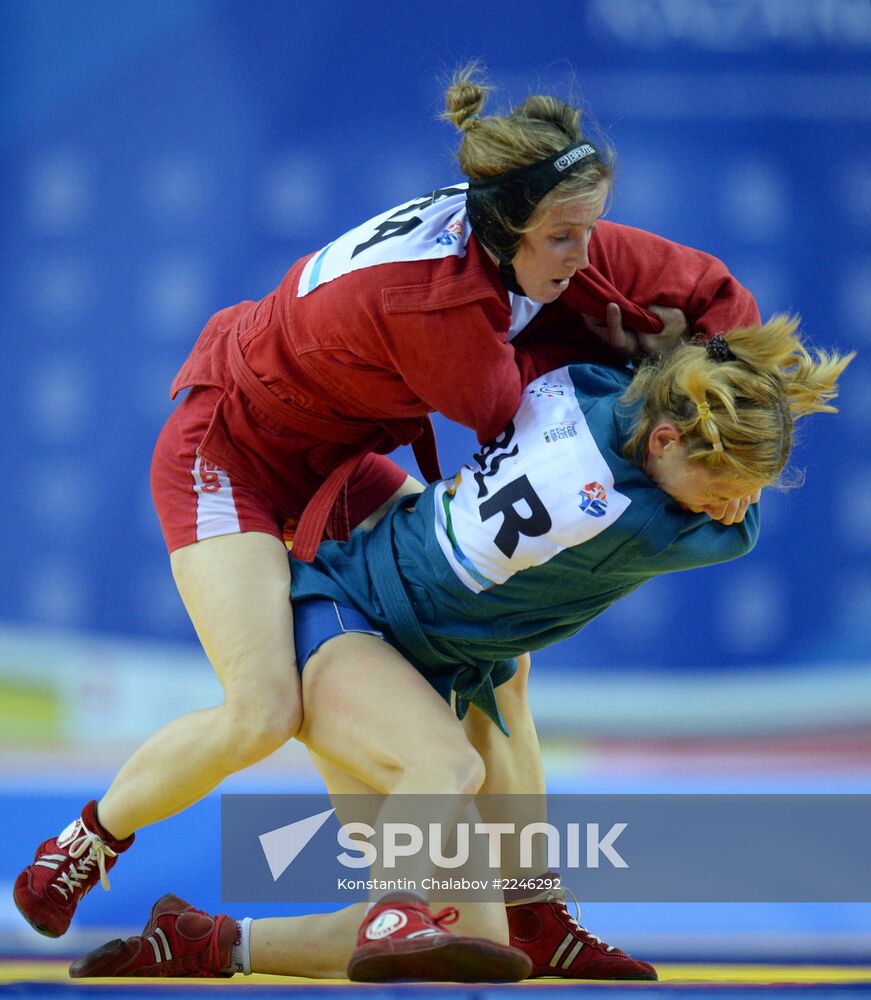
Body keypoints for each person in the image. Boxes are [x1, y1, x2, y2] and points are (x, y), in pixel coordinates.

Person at [13, 63, 759, 977]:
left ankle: (525, 918)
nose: (584, 254)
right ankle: (85, 842)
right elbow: (530, 414)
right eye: (563, 237)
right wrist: (663, 388)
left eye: (589, 227)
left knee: (503, 674)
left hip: (334, 454)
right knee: (260, 711)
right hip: (230, 452)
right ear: (499, 227)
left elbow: (712, 291)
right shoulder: (438, 305)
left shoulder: (524, 219)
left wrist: (720, 382)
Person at [67, 318, 853, 982]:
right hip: (346, 618)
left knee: (471, 937)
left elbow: (596, 377)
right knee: (441, 762)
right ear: (667, 435)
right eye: (731, 483)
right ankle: (99, 843)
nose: (738, 506)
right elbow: (730, 524)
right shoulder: (645, 521)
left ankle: (207, 942)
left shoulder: (577, 389)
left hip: (396, 599)